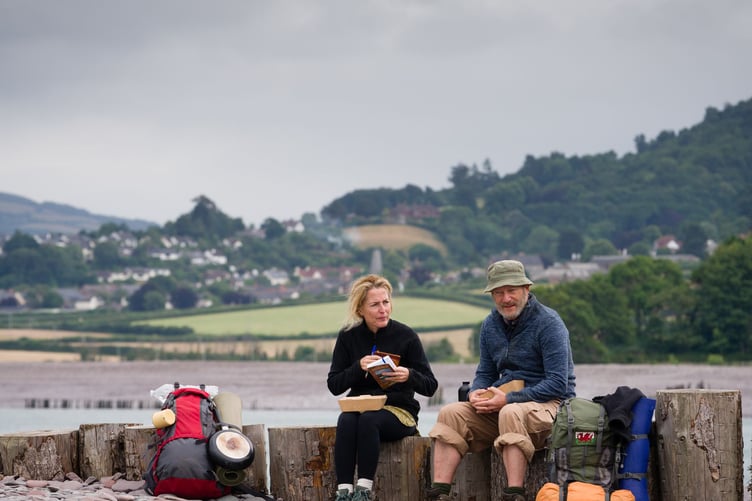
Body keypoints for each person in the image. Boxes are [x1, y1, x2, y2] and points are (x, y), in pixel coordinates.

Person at [426, 260, 576, 501]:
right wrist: (477, 392)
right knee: (450, 412)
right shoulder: (490, 324)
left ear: (526, 289)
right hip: (507, 404)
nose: (506, 298)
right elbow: (485, 371)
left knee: (510, 412)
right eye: (498, 292)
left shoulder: (549, 323)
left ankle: (514, 493)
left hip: (553, 407)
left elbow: (558, 383)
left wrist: (508, 399)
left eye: (511, 291)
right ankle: (440, 493)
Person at [327, 274, 438, 501]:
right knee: (346, 419)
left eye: (386, 302)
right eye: (375, 304)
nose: (383, 309)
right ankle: (344, 491)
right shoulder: (348, 337)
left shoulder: (406, 336)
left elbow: (430, 386)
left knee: (370, 419)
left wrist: (408, 375)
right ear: (360, 309)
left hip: (400, 412)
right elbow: (334, 385)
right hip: (359, 408)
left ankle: (364, 491)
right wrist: (358, 367)